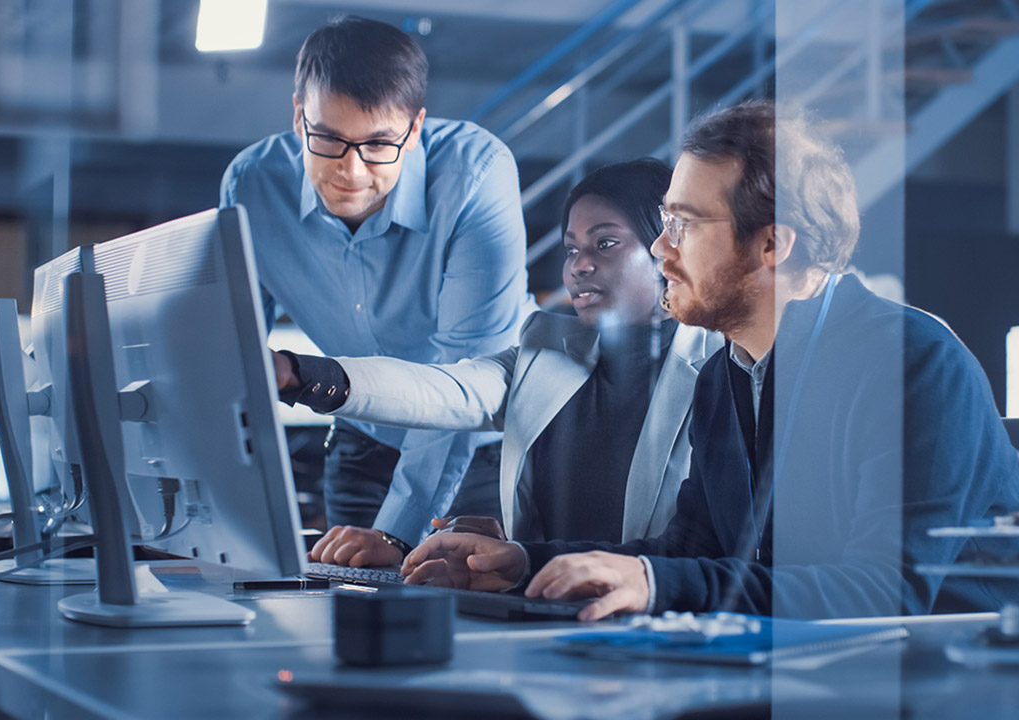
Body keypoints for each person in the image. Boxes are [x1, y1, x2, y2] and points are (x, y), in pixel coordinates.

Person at [399, 100, 1019, 621]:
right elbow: (691, 552)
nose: (658, 248)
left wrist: (657, 582)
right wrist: (521, 565)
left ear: (771, 244)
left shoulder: (913, 365)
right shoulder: (725, 372)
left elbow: (881, 595)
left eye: (682, 224)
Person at [276, 159, 723, 567]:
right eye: (571, 248)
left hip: (661, 624)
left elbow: (703, 550)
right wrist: (301, 375)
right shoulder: (544, 350)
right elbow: (442, 391)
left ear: (666, 250)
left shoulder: (723, 369)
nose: (579, 265)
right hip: (545, 619)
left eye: (605, 243)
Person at [220, 17, 535, 563]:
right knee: (339, 612)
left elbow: (466, 383)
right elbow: (234, 349)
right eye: (328, 138)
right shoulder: (251, 184)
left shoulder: (476, 175)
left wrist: (397, 530)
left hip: (484, 449)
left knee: (472, 630)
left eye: (379, 144)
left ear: (413, 129)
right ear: (299, 116)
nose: (351, 169)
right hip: (362, 439)